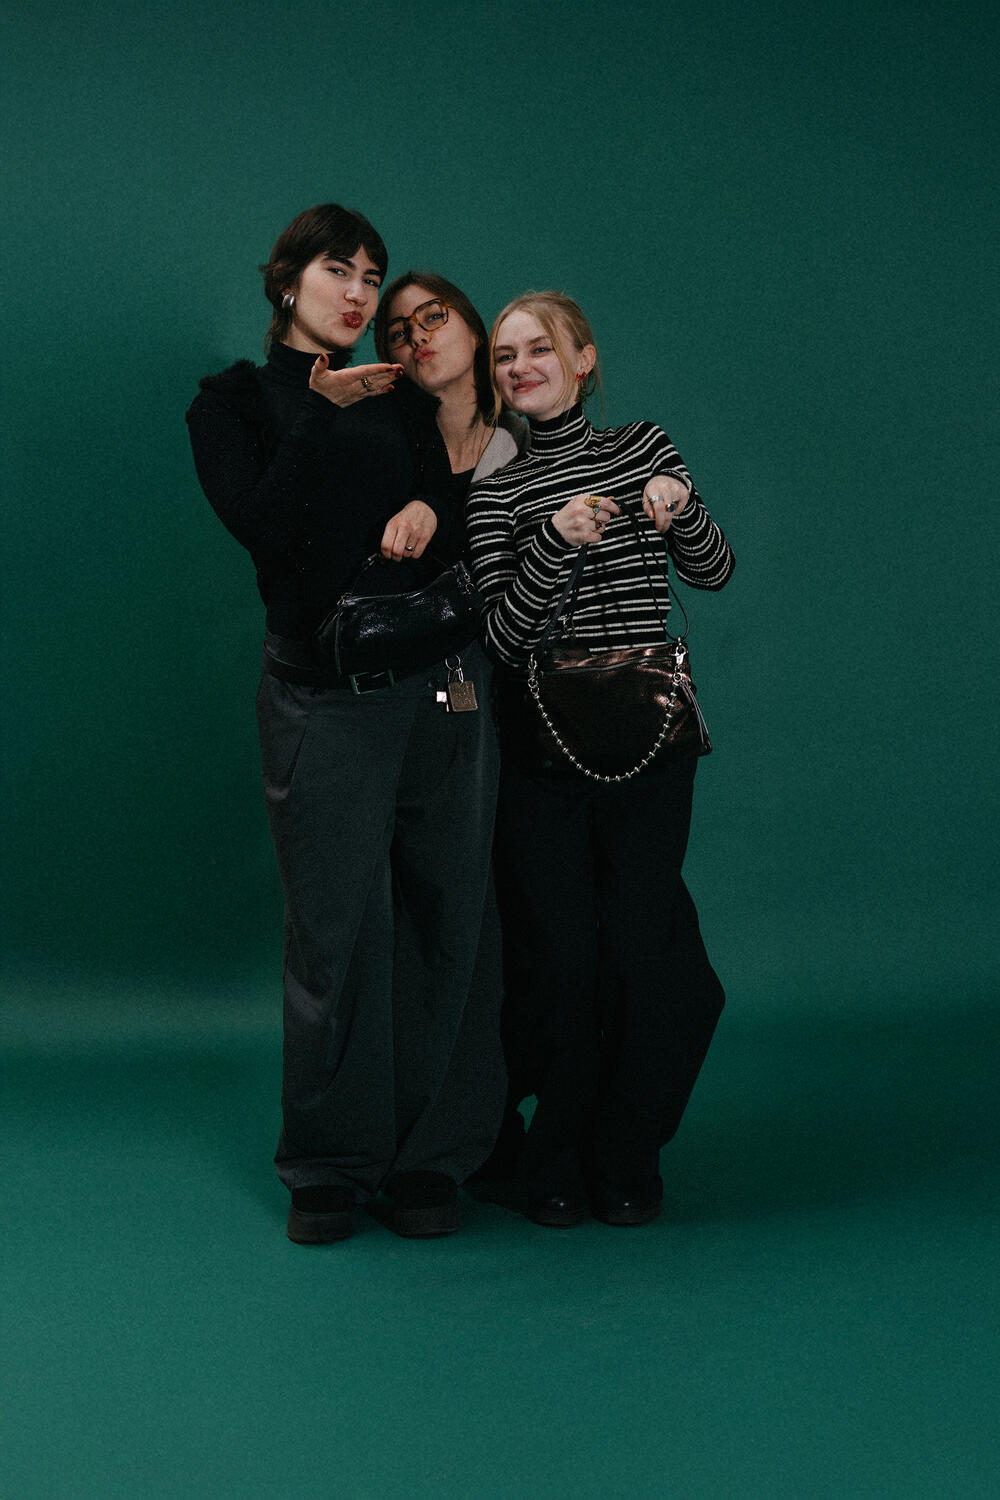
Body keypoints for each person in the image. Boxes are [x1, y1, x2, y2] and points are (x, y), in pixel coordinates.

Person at [185, 203, 507, 1244]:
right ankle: (329, 1162)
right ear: (289, 280)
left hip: (442, 689)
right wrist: (319, 410)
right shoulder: (232, 402)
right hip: (321, 700)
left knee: (446, 917)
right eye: (339, 269)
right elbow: (264, 532)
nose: (361, 291)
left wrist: (429, 512)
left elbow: (465, 503)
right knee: (334, 929)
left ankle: (433, 1155)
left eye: (372, 274)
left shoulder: (406, 401)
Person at [466, 291, 735, 1229]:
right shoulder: (496, 490)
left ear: (583, 361)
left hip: (653, 739)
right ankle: (556, 1158)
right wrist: (553, 542)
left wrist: (681, 508)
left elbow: (713, 570)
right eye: (504, 356)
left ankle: (625, 1154)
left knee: (641, 955)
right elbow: (500, 637)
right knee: (562, 965)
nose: (519, 367)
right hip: (544, 746)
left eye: (540, 349)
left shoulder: (641, 446)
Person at [373, 271, 527, 539]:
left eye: (433, 317)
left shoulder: (525, 446)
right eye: (398, 333)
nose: (417, 337)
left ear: (475, 333)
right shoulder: (383, 448)